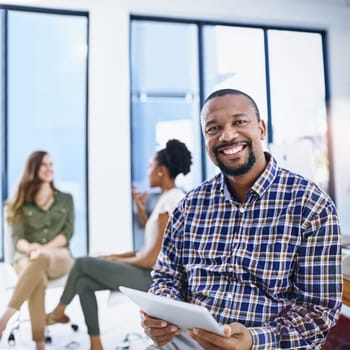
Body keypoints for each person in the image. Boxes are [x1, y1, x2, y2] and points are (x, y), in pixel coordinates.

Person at [141, 89, 343, 350]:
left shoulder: (311, 205)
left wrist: (253, 341)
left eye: (239, 122)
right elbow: (166, 279)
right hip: (187, 341)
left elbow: (317, 313)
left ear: (260, 129)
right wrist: (159, 317)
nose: (227, 136)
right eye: (213, 128)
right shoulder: (189, 205)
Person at [45, 139, 192, 350]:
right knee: (84, 283)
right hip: (146, 272)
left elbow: (152, 257)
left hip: (151, 278)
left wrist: (113, 259)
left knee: (83, 264)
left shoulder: (172, 200)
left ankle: (59, 310)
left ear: (161, 170)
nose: (148, 171)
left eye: (151, 166)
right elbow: (154, 242)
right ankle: (96, 344)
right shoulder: (167, 198)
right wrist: (141, 210)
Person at [0, 151, 75, 350]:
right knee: (38, 278)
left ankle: (4, 318)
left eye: (51, 164)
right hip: (27, 256)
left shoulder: (65, 199)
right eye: (44, 165)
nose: (49, 168)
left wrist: (40, 250)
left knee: (40, 258)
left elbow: (66, 235)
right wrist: (30, 249)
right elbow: (18, 238)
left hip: (59, 256)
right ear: (33, 169)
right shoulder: (20, 203)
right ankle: (39, 343)